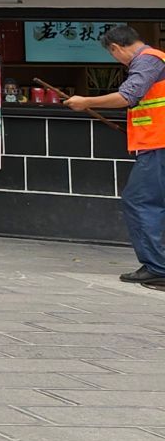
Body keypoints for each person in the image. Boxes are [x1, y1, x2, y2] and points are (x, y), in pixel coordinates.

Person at [59, 23, 165, 287]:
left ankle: (157, 267)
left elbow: (128, 95)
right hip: (155, 144)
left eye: (112, 54)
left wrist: (86, 101)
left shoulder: (147, 61)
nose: (115, 59)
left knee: (139, 201)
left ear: (116, 47)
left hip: (158, 145)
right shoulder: (157, 59)